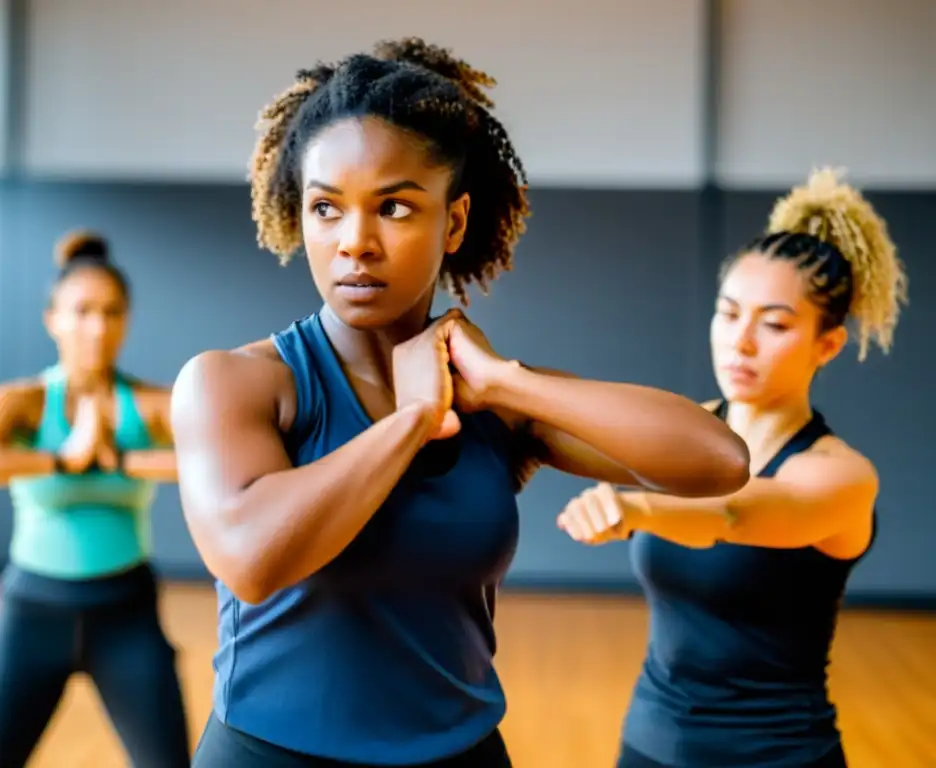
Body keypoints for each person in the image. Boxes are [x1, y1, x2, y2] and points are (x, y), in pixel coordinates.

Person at [171, 37, 750, 768]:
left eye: (395, 208)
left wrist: (510, 384)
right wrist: (413, 422)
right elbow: (253, 560)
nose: (356, 242)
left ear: (455, 221)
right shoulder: (238, 382)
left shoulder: (491, 400)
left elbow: (720, 461)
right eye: (326, 208)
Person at [557, 168, 909, 768]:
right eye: (728, 313)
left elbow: (735, 511)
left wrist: (639, 507)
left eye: (773, 324)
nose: (740, 341)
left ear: (828, 345)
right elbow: (564, 426)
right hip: (647, 745)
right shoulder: (685, 428)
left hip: (778, 757)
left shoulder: (840, 476)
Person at [0, 231, 191, 768]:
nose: (97, 328)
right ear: (52, 318)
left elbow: (210, 461)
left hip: (126, 614)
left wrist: (119, 460)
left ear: (125, 319)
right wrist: (63, 459)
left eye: (111, 312)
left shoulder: (150, 405)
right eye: (81, 312)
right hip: (32, 614)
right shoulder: (25, 403)